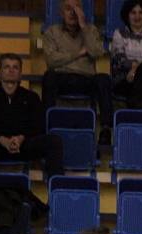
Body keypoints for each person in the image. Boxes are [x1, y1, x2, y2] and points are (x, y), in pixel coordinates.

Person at [42, 0, 113, 145]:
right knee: (48, 77)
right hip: (62, 78)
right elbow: (51, 61)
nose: (73, 12)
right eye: (68, 9)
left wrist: (83, 26)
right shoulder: (52, 32)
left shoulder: (91, 30)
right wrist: (79, 53)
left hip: (86, 78)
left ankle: (106, 129)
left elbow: (96, 53)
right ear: (61, 13)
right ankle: (46, 127)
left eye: (76, 8)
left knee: (104, 79)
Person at [0, 53, 64, 177]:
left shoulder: (31, 97)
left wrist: (20, 138)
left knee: (54, 141)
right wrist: (2, 139)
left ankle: (57, 190)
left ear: (20, 74)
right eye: (7, 67)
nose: (11, 70)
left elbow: (39, 126)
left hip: (23, 147)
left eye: (15, 67)